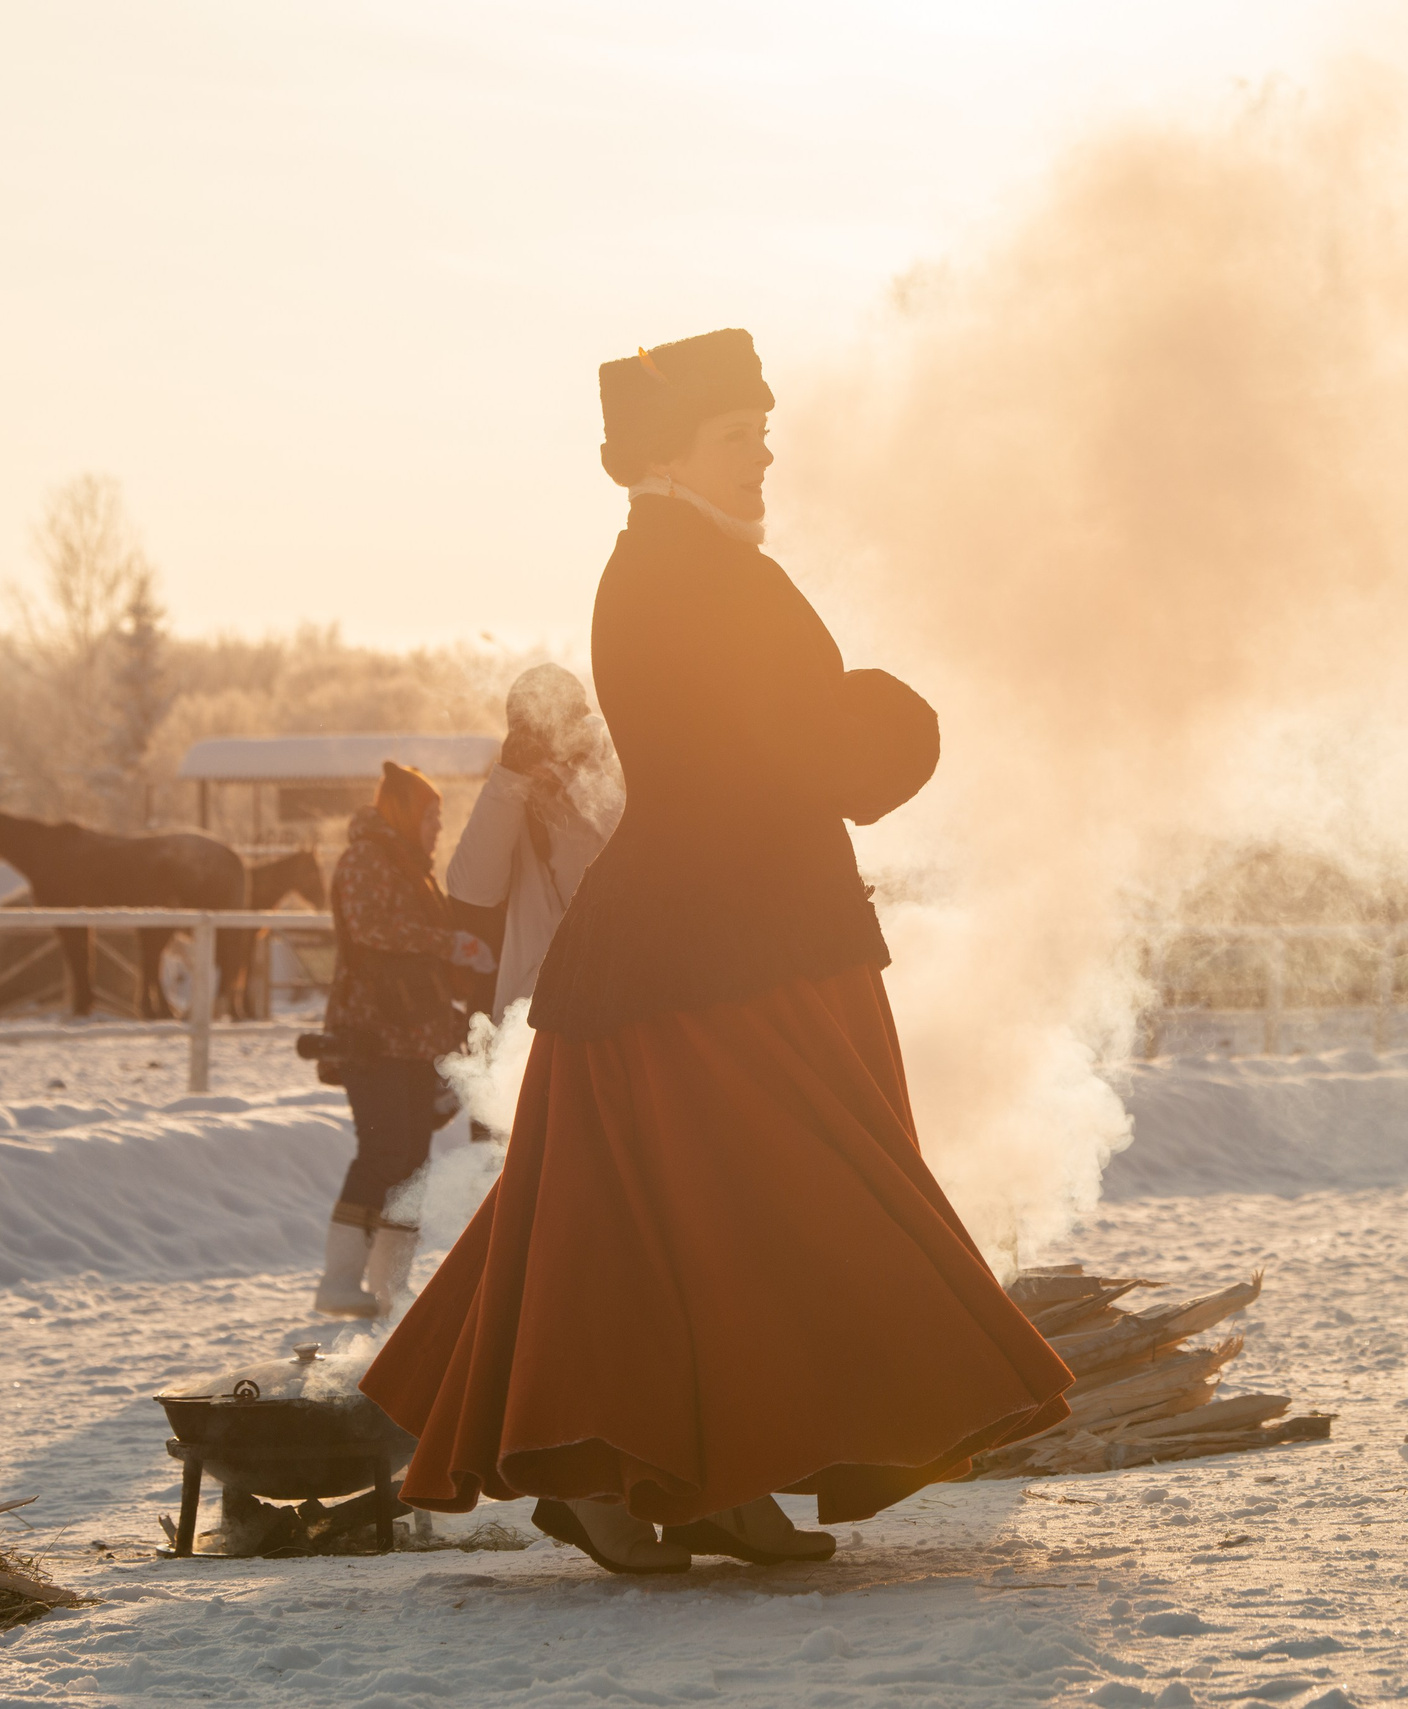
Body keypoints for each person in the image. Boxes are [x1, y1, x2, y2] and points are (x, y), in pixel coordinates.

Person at [361, 328, 1074, 1574]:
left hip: (720, 931)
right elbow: (789, 746)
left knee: (668, 1223)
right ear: (670, 453)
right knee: (764, 1210)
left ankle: (681, 1476)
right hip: (715, 947)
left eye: (763, 431)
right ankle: (682, 1477)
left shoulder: (678, 561)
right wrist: (894, 719)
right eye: (739, 436)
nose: (764, 455)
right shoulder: (687, 571)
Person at [314, 761, 496, 1318]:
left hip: (411, 1036)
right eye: (431, 816)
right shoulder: (369, 861)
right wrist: (451, 944)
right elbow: (375, 929)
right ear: (405, 813)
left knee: (411, 1158)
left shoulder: (406, 866)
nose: (438, 827)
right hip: (372, 1034)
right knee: (384, 1151)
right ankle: (340, 1279)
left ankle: (389, 1283)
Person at [445, 663, 623, 1020]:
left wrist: (576, 776)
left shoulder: (613, 773)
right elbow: (471, 888)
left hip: (616, 998)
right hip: (532, 1016)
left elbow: (633, 843)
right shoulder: (510, 797)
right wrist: (509, 776)